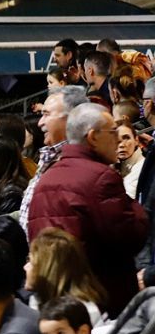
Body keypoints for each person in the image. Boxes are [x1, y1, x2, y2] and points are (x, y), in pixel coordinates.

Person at [28, 103, 149, 317]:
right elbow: (132, 235)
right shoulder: (102, 177)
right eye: (113, 133)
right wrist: (138, 209)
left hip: (56, 302)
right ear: (93, 137)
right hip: (101, 302)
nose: (118, 140)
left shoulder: (46, 179)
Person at [18, 86, 88, 232]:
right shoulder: (50, 155)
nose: (40, 123)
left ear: (71, 119)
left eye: (46, 114)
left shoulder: (79, 163)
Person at [25, 228, 106, 326]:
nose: (25, 267)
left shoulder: (85, 312)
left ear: (48, 270)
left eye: (31, 262)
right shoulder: (36, 300)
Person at [117, 122, 144, 198]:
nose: (122, 145)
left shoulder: (142, 167)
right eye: (116, 139)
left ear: (136, 140)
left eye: (126, 138)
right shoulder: (113, 167)